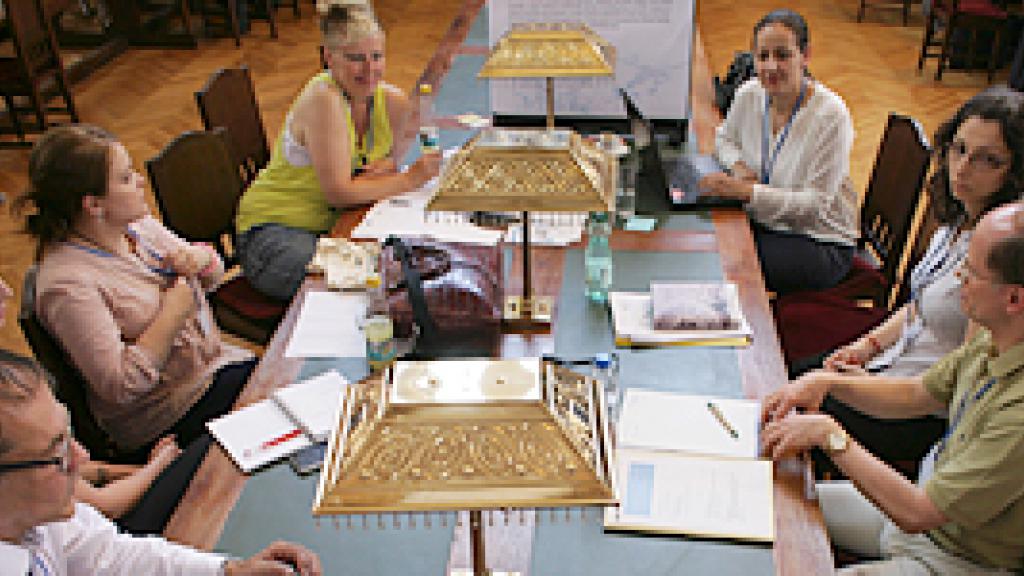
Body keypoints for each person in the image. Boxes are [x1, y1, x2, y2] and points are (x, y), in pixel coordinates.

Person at [761, 202, 1024, 574]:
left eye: (972, 271)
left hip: (959, 561)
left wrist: (832, 436)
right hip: (923, 523)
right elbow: (916, 395)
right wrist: (829, 383)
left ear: (1014, 299)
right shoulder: (994, 339)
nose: (958, 276)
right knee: (769, 504)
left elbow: (918, 513)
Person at [807, 85, 1024, 472]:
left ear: (1015, 171)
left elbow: (957, 384)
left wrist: (865, 385)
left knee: (797, 400)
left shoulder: (997, 259)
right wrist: (867, 347)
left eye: (986, 159)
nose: (962, 167)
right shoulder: (957, 218)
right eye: (959, 149)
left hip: (920, 411)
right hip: (893, 367)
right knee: (797, 374)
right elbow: (920, 305)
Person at [15, 124, 255, 458]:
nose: (140, 181)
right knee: (289, 399)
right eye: (126, 177)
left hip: (212, 368)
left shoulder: (134, 226)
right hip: (165, 416)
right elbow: (120, 386)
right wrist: (173, 313)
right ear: (93, 205)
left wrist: (197, 259)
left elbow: (214, 275)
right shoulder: (66, 286)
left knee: (295, 379)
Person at [0, 348, 322, 575]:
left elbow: (111, 557)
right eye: (56, 455)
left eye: (68, 434)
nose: (81, 457)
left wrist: (229, 570)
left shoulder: (44, 518)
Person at [234, 2, 441, 302]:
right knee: (360, 291)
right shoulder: (324, 98)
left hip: (331, 229)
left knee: (403, 272)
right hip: (273, 232)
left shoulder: (393, 103)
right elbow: (339, 193)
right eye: (355, 58)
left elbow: (383, 169)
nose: (370, 70)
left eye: (377, 56)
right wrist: (410, 178)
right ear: (329, 57)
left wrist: (388, 168)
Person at [703, 9, 859, 295]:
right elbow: (724, 139)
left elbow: (813, 206)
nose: (771, 67)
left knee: (726, 260)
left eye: (783, 55)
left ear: (805, 56)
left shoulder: (831, 115)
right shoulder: (750, 94)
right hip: (766, 221)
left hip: (818, 241)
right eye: (762, 57)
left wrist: (745, 192)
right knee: (709, 238)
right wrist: (739, 168)